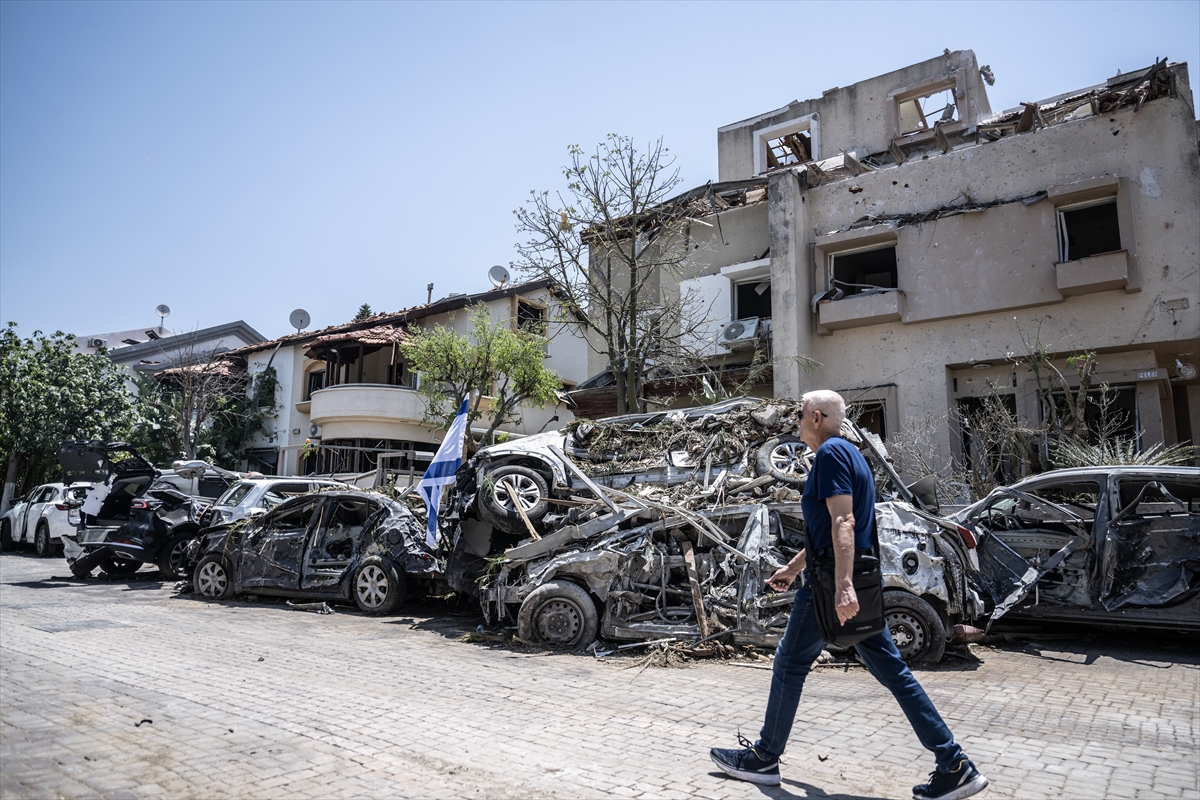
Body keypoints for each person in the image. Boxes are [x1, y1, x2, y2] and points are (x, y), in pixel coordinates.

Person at [710, 390, 988, 800]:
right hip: (848, 576)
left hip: (831, 585)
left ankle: (764, 758)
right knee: (893, 672)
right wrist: (793, 568)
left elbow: (844, 522)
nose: (796, 421)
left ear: (817, 417)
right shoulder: (852, 455)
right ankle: (954, 764)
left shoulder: (830, 454)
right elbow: (831, 527)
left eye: (801, 414)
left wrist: (842, 587)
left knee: (790, 664)